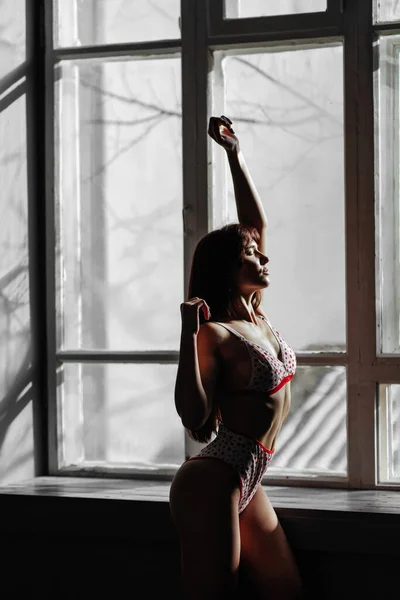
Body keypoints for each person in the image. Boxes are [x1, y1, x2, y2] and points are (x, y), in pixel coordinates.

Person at [169, 115, 303, 599]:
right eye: (251, 254)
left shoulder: (257, 315)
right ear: (229, 269)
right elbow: (194, 416)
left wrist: (233, 154)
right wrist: (188, 335)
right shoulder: (216, 334)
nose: (263, 257)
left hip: (249, 473)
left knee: (287, 591)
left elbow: (255, 223)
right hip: (213, 479)